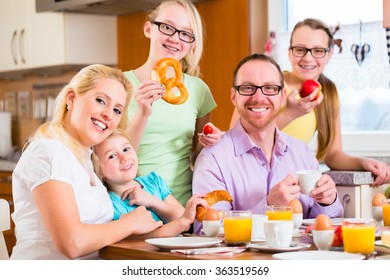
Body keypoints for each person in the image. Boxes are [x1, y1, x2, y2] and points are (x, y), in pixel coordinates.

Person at [10, 64, 163, 260]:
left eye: (117, 110)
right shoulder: (48, 151)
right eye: (101, 101)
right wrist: (130, 223)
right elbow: (72, 243)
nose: (108, 114)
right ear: (72, 98)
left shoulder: (86, 160)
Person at [230, 18, 390, 187]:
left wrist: (363, 163)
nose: (308, 58)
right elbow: (235, 140)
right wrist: (289, 114)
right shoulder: (266, 85)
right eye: (300, 50)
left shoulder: (327, 93)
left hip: (289, 184)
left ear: (329, 55)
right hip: (248, 179)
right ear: (289, 52)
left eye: (318, 51)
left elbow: (333, 154)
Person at [193, 53, 344, 233]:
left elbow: (324, 228)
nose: (258, 97)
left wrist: (328, 201)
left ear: (282, 96)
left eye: (270, 88)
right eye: (248, 88)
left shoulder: (302, 153)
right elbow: (209, 233)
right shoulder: (213, 159)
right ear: (234, 96)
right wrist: (268, 206)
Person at [123, 0, 221, 207]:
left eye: (185, 33)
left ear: (193, 43)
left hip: (181, 206)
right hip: (130, 204)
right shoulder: (118, 85)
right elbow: (110, 157)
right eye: (167, 27)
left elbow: (196, 159)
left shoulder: (198, 90)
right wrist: (142, 113)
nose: (175, 38)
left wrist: (209, 145)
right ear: (149, 28)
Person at [92, 128, 207, 238]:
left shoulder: (153, 181)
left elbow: (181, 215)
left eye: (126, 149)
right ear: (98, 170)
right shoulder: (108, 204)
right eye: (112, 156)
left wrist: (152, 201)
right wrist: (182, 222)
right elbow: (141, 239)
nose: (124, 158)